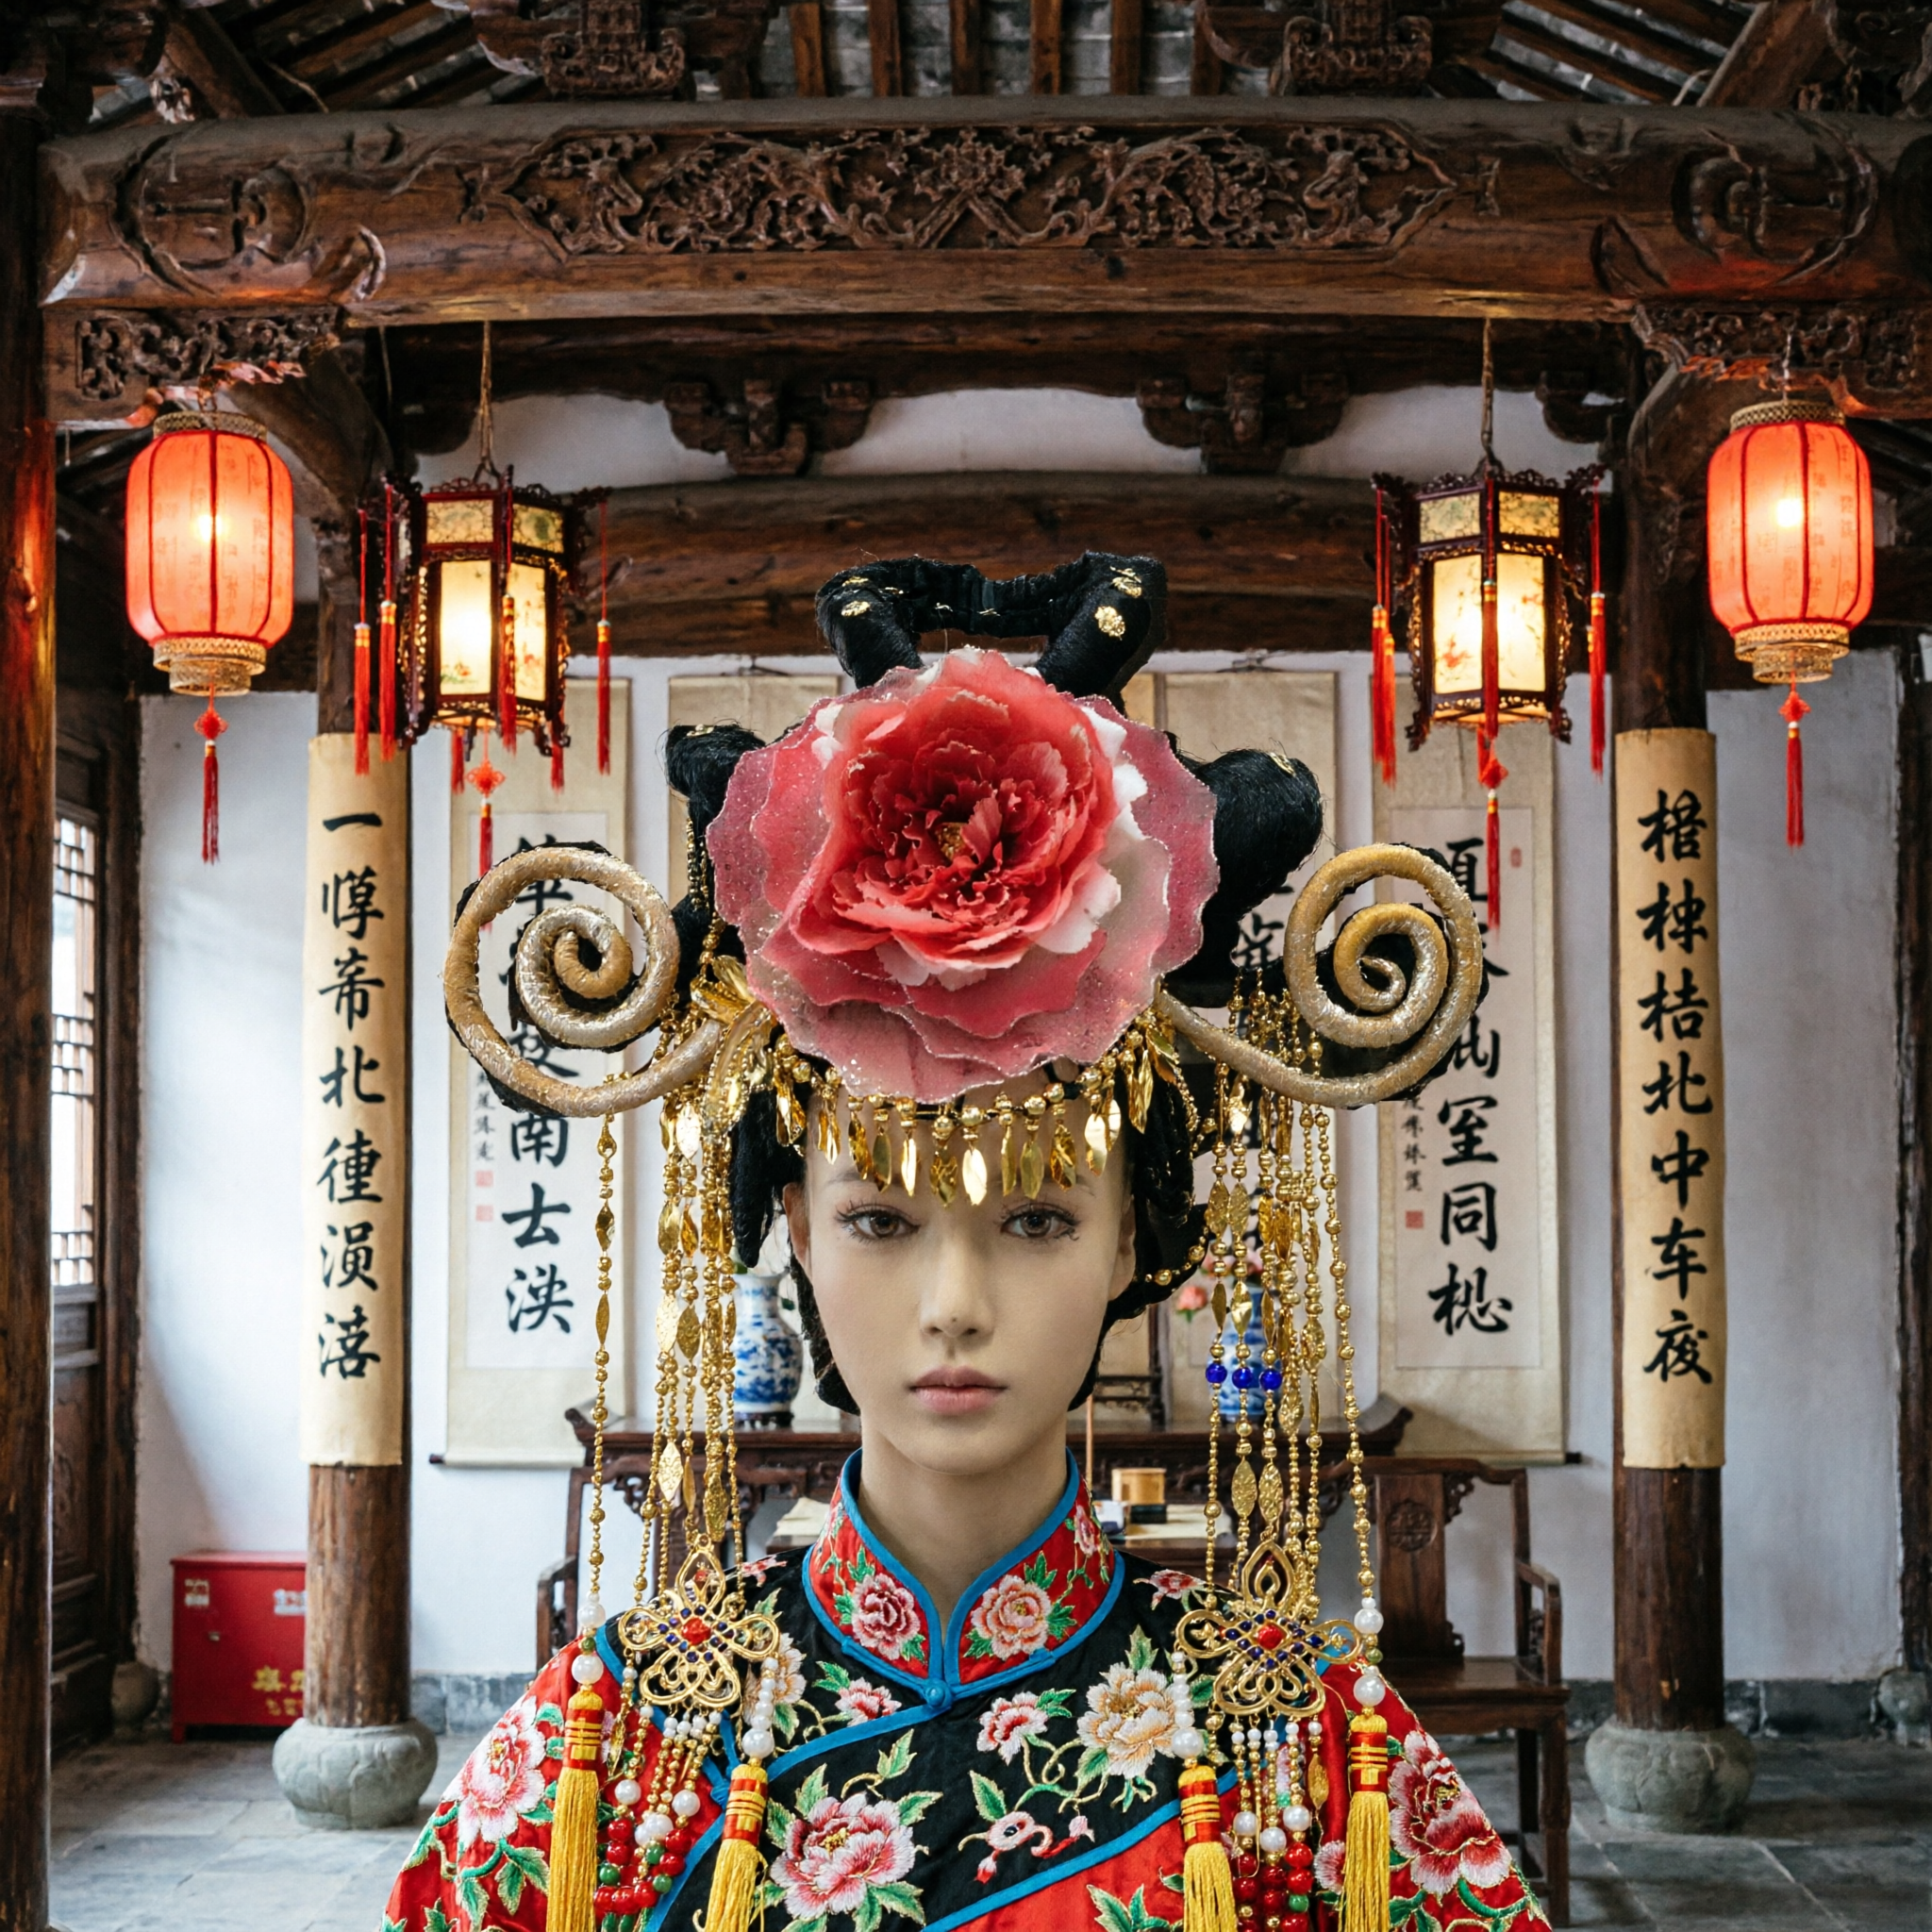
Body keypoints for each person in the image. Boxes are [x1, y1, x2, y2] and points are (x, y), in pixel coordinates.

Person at [391, 555, 1545, 1932]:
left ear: (1135, 1249)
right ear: (793, 1237)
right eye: (879, 1218)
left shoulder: (1300, 1742)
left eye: (1040, 1218)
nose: (954, 1304)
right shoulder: (618, 1740)